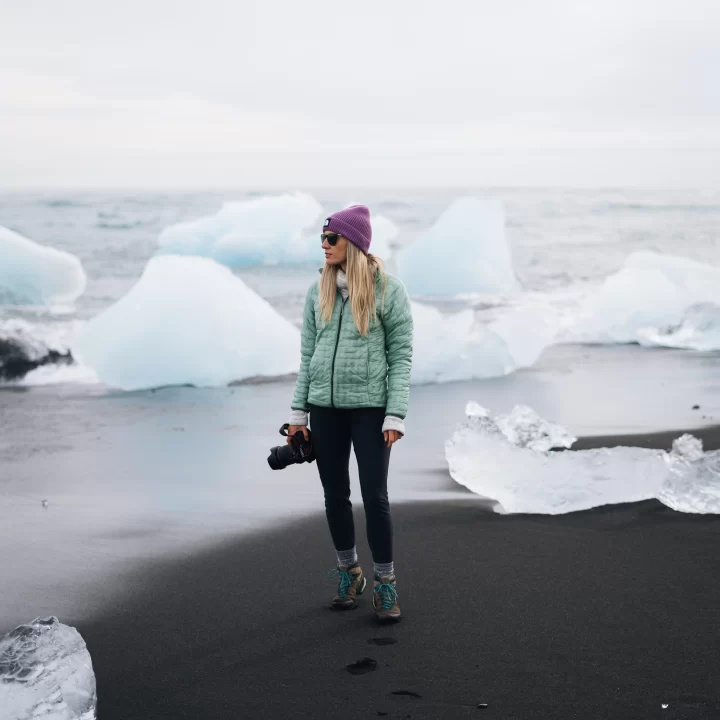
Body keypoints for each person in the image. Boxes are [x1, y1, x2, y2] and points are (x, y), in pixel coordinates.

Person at [287, 205, 413, 623]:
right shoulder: (316, 292)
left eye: (332, 239)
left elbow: (401, 356)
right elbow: (308, 356)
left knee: (375, 498)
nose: (324, 246)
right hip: (325, 409)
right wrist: (298, 414)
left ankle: (386, 582)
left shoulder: (388, 291)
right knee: (334, 497)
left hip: (372, 411)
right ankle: (349, 572)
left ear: (353, 243)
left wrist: (395, 415)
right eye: (322, 239)